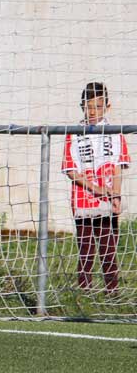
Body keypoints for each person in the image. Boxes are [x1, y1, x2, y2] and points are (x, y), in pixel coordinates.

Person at [63, 82, 127, 293]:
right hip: (83, 200)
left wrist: (115, 195)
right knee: (86, 250)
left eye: (98, 107)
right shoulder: (74, 133)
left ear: (107, 107)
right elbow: (71, 170)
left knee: (108, 250)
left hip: (108, 200)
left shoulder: (115, 133)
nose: (92, 111)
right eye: (88, 106)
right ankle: (84, 291)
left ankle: (113, 292)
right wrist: (96, 189)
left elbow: (118, 167)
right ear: (82, 106)